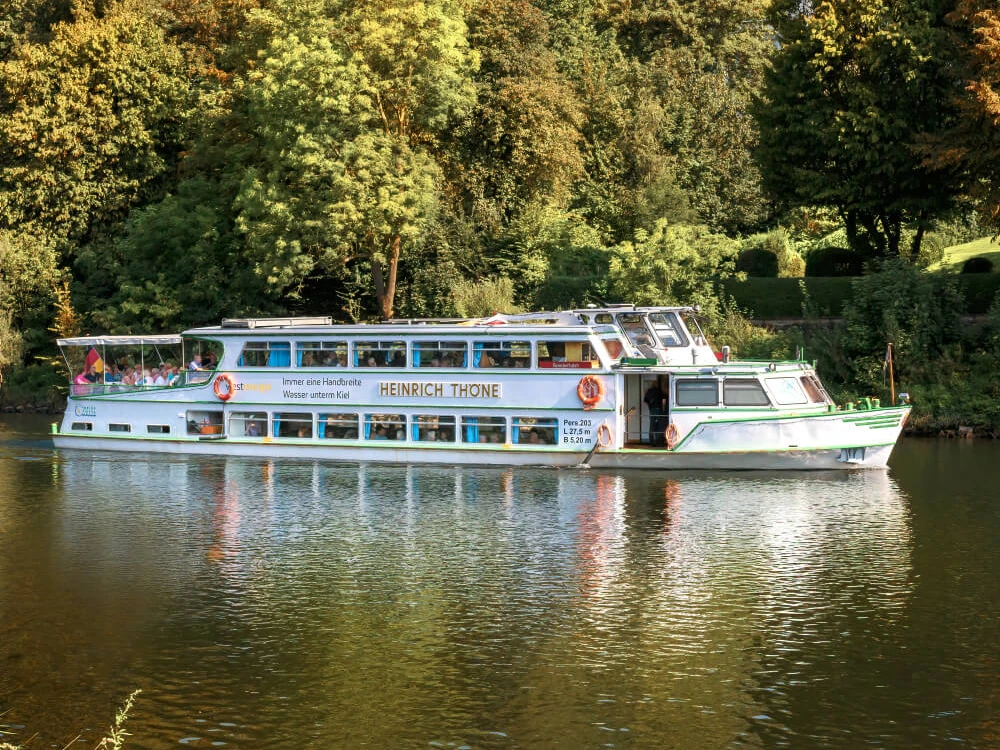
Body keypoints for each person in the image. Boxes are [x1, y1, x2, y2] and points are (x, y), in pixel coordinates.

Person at [644, 378, 667, 447]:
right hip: (659, 410)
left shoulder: (649, 391)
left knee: (652, 425)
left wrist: (650, 405)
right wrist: (664, 408)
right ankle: (659, 441)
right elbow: (664, 400)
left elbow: (645, 401)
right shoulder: (660, 391)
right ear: (657, 385)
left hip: (652, 410)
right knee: (660, 425)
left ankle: (651, 442)